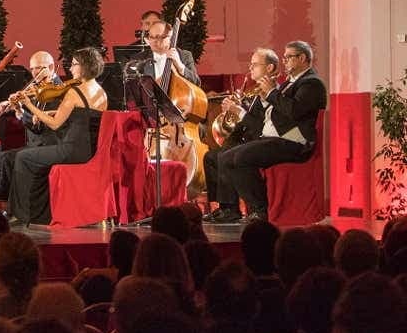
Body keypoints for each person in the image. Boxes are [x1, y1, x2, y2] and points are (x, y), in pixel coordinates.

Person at [207, 41, 327, 224]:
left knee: (240, 159)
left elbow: (294, 111)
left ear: (302, 58)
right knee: (226, 156)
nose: (284, 61)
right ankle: (243, 209)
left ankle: (259, 210)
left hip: (294, 142)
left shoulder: (312, 84)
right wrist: (265, 98)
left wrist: (270, 93)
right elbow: (278, 110)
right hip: (277, 138)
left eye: (288, 57)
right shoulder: (290, 83)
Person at [0, 47, 107, 226]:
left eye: (74, 64)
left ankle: (23, 214)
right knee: (22, 157)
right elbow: (82, 115)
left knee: (23, 157)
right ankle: (33, 212)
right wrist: (50, 111)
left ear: (84, 67)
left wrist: (30, 105)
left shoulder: (74, 92)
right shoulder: (100, 91)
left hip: (71, 149)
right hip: (88, 149)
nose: (70, 69)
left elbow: (55, 124)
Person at [204, 48, 277, 218]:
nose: (250, 68)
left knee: (226, 152)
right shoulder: (254, 92)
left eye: (255, 65)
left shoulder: (272, 92)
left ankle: (233, 209)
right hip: (246, 138)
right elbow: (244, 119)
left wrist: (238, 111)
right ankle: (225, 206)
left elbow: (261, 125)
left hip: (261, 140)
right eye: (250, 65)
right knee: (211, 157)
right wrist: (232, 109)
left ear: (270, 68)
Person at [136, 20, 201, 86]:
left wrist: (180, 66)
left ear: (170, 37)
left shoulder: (184, 55)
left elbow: (196, 83)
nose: (154, 41)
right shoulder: (139, 58)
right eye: (151, 37)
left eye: (158, 37)